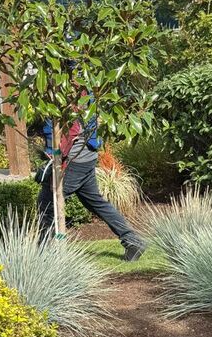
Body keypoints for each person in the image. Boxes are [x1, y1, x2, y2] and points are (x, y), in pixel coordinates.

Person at [37, 103, 146, 262]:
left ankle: (43, 255)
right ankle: (133, 242)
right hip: (87, 157)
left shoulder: (67, 98)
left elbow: (68, 134)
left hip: (73, 161)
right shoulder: (87, 94)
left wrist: (54, 155)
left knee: (47, 204)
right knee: (95, 202)